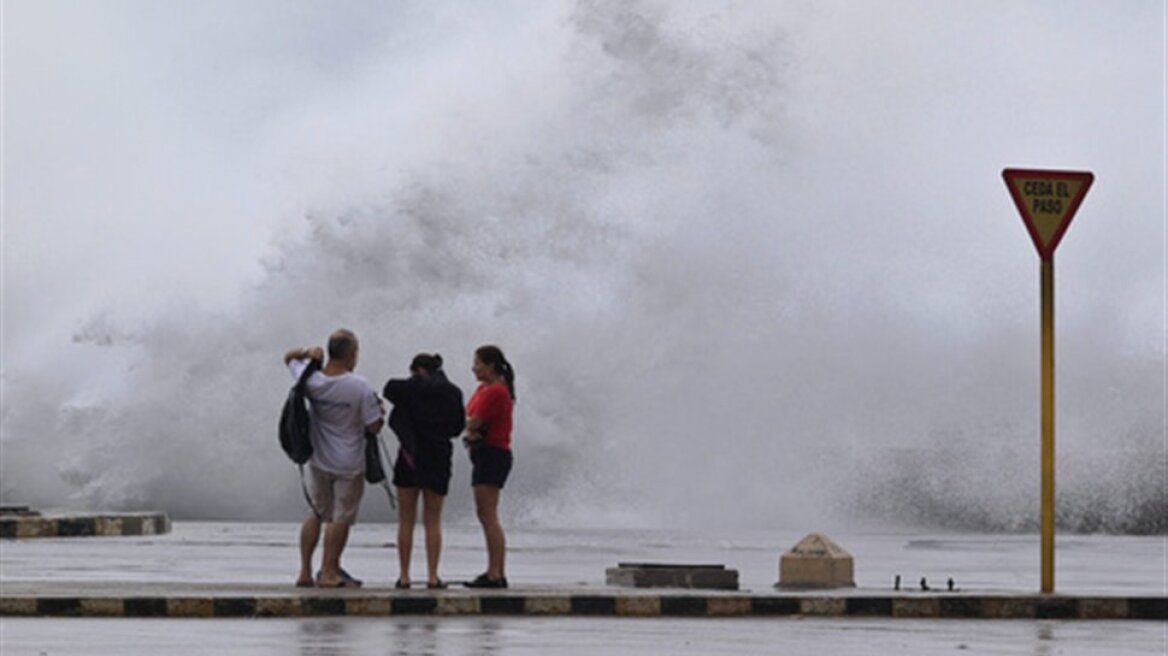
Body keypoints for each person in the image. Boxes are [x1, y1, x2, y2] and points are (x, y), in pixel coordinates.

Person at [284, 329, 383, 588]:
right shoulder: (359, 386)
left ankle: (305, 571)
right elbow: (374, 426)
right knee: (341, 518)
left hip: (318, 459)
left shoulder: (312, 381)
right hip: (349, 462)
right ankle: (329, 572)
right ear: (352, 355)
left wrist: (306, 352)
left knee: (316, 512)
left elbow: (288, 358)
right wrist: (379, 410)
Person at [383, 353, 465, 590]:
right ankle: (432, 575)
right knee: (433, 521)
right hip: (438, 457)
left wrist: (416, 382)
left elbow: (389, 388)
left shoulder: (408, 389)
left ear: (417, 370)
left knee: (405, 521)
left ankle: (405, 575)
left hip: (409, 457)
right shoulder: (452, 392)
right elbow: (457, 428)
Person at [462, 345, 515, 589]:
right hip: (485, 453)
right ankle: (494, 570)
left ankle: (496, 572)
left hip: (493, 453)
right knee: (484, 513)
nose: (474, 368)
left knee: (488, 514)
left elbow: (474, 421)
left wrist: (467, 425)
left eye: (478, 363)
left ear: (491, 365)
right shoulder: (483, 390)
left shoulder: (496, 392)